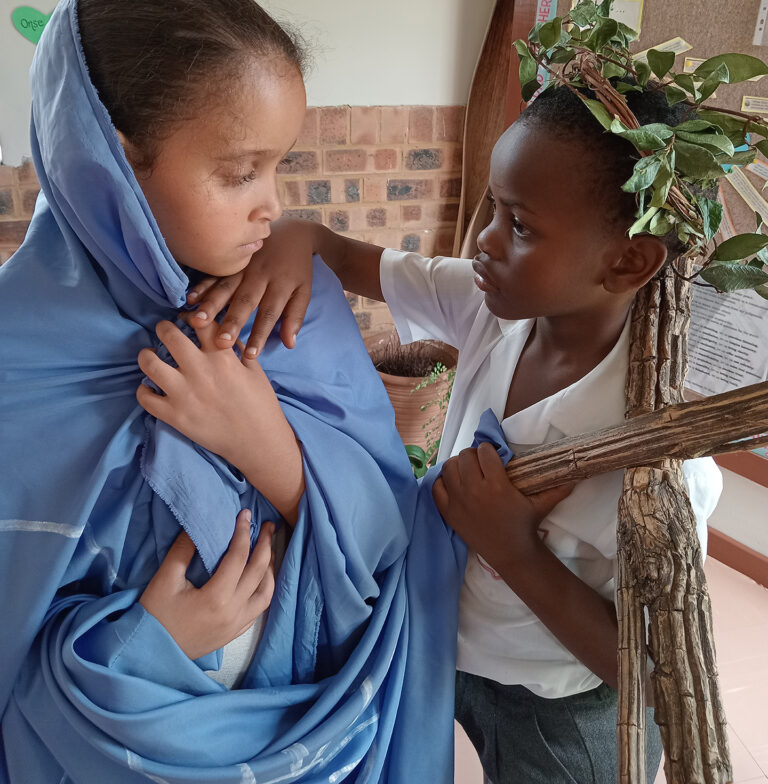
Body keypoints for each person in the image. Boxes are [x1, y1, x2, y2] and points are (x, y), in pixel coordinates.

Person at [0, 0, 464, 783]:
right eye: (239, 172)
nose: (272, 205)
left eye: (278, 166)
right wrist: (147, 646)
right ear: (113, 161)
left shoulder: (294, 305)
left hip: (317, 727)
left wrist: (272, 451)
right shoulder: (17, 354)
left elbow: (390, 541)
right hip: (109, 733)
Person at [189, 83, 724, 784]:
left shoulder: (657, 467)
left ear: (626, 262)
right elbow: (342, 255)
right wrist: (297, 238)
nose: (485, 242)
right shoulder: (492, 305)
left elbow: (655, 671)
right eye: (493, 209)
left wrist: (515, 551)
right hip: (449, 641)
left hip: (557, 706)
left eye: (522, 227)